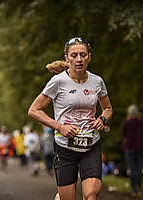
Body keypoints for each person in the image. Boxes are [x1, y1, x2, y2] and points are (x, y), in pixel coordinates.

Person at [28, 37, 113, 200]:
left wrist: (102, 119)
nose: (79, 59)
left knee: (91, 195)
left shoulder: (97, 81)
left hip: (91, 145)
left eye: (83, 54)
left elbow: (107, 108)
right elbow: (34, 110)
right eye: (74, 55)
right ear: (67, 57)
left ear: (89, 56)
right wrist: (59, 126)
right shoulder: (58, 81)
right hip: (65, 148)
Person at [121, 104, 143, 196]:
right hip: (140, 148)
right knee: (139, 169)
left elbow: (124, 134)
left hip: (129, 147)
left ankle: (133, 189)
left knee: (132, 169)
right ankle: (139, 188)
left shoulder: (125, 122)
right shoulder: (142, 122)